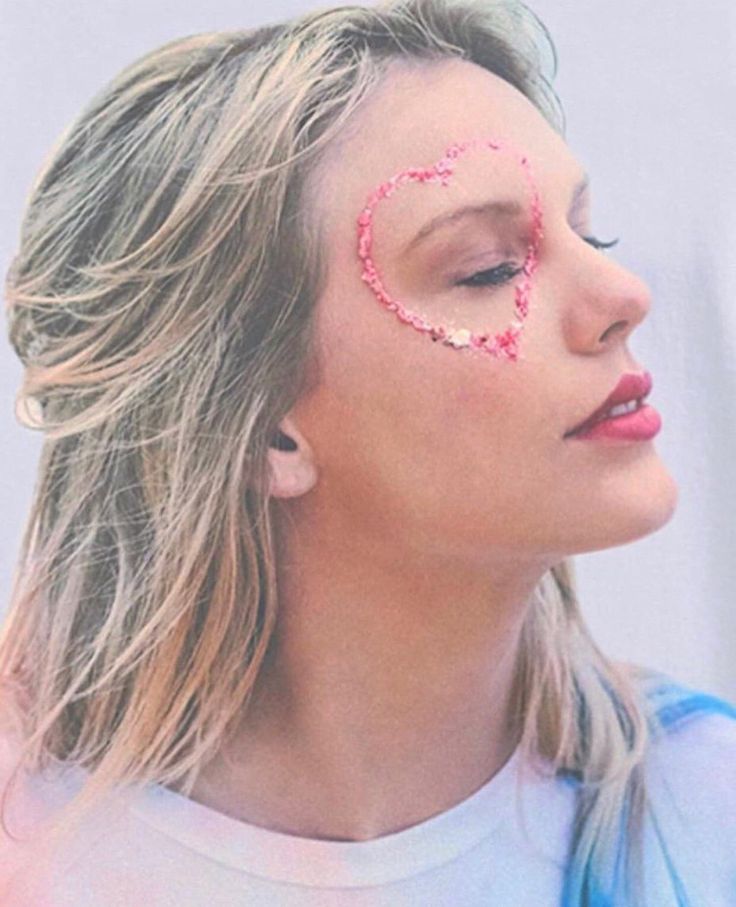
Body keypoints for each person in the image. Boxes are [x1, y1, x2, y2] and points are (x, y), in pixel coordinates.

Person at [1, 0, 734, 904]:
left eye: (592, 233)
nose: (622, 293)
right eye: (487, 268)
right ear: (269, 427)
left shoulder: (705, 815)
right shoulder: (32, 850)